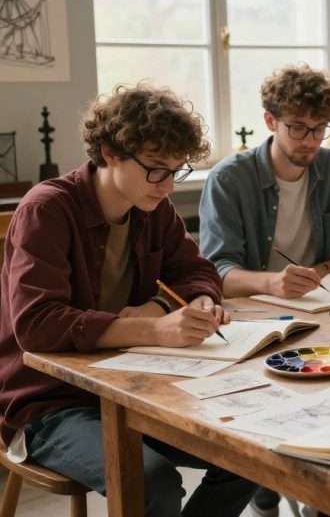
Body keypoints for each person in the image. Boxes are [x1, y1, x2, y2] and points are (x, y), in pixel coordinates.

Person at [0, 85, 256, 517]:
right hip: (50, 403)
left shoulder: (153, 208)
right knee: (151, 480)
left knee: (251, 452)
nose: (168, 186)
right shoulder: (46, 209)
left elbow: (198, 272)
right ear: (110, 152)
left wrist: (190, 304)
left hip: (133, 389)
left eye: (176, 171)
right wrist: (155, 329)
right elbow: (37, 324)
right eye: (156, 170)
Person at [200, 64, 330, 300]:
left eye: (319, 128)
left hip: (317, 300)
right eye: (297, 128)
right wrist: (271, 283)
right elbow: (217, 273)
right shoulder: (228, 180)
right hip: (255, 306)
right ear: (270, 121)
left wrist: (317, 274)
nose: (309, 141)